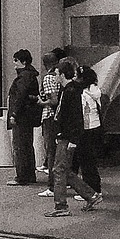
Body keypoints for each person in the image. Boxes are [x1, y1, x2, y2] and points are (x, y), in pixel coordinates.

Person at [45, 58, 101, 217]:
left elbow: (73, 118)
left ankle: (61, 206)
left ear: (62, 74)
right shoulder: (72, 90)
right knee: (64, 170)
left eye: (56, 73)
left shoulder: (69, 92)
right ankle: (91, 195)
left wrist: (72, 139)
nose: (55, 77)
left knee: (58, 170)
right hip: (68, 136)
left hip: (67, 137)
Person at [5, 49, 41, 186]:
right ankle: (29, 174)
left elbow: (19, 96)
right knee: (27, 145)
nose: (14, 64)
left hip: (22, 116)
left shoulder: (23, 77)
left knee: (20, 146)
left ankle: (22, 176)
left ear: (23, 62)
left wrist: (14, 114)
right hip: (28, 115)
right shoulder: (30, 76)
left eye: (16, 61)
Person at [73, 65, 103, 200]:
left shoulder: (83, 93)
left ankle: (91, 190)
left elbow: (82, 113)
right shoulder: (95, 90)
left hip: (85, 128)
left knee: (85, 160)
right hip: (96, 126)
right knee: (90, 160)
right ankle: (96, 188)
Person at [37, 49, 64, 197]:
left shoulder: (48, 78)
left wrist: (42, 102)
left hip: (50, 117)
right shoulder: (61, 76)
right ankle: (62, 182)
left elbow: (53, 100)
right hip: (60, 118)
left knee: (51, 152)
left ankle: (52, 185)